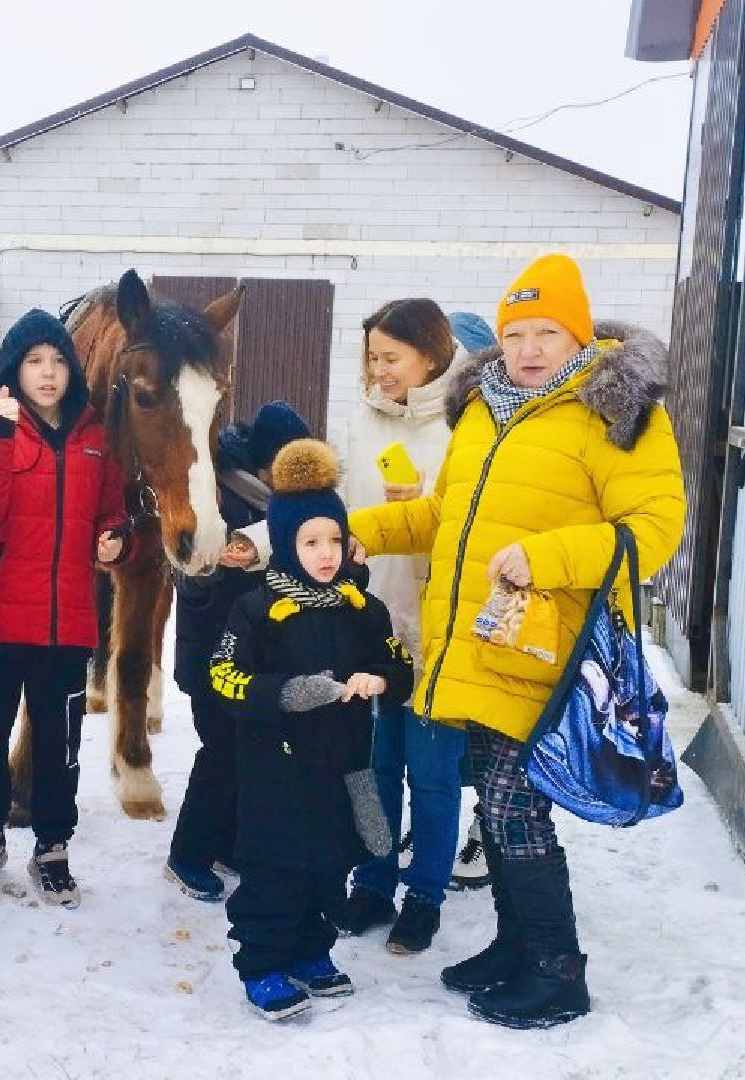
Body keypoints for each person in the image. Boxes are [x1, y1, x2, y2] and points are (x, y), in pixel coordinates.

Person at [349, 253, 685, 1029]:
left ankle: (559, 973)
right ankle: (514, 947)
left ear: (578, 335)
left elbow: (655, 531)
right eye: (514, 333)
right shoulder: (480, 412)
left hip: (552, 647)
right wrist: (361, 530)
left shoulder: (618, 411)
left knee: (512, 809)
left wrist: (549, 556)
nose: (529, 349)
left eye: (546, 332)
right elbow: (446, 519)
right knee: (501, 808)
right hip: (477, 643)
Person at [206, 438, 414, 1020]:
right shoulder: (257, 608)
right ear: (288, 545)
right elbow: (222, 677)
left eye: (333, 540)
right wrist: (288, 694)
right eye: (310, 542)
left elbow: (400, 667)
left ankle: (311, 951)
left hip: (344, 765)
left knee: (330, 865)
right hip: (276, 771)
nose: (325, 554)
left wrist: (382, 679)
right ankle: (264, 961)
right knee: (277, 872)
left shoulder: (362, 609)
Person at [0, 309, 129, 905]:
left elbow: (112, 507)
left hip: (67, 620)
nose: (48, 374)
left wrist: (116, 535)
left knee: (62, 741)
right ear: (14, 371)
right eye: (33, 362)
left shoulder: (95, 434)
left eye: (57, 361)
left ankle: (52, 844)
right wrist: (0, 436)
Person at [333, 297, 471, 954]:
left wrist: (418, 511)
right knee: (372, 766)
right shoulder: (361, 421)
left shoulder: (467, 424)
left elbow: (474, 526)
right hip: (370, 621)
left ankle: (425, 894)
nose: (378, 371)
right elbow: (342, 510)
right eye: (372, 359)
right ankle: (373, 880)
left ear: (432, 354)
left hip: (437, 626)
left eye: (391, 358)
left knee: (434, 772)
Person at [163, 401, 311, 902]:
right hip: (211, 653)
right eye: (278, 464)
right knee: (220, 754)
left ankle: (225, 841)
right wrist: (216, 567)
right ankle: (188, 854)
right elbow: (189, 572)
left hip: (254, 656)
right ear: (261, 458)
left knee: (244, 752)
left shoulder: (281, 501)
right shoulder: (219, 490)